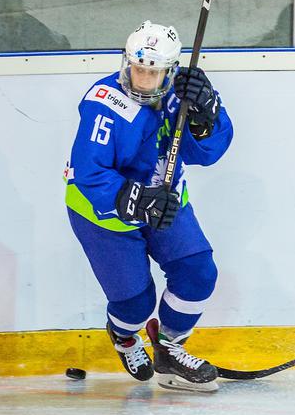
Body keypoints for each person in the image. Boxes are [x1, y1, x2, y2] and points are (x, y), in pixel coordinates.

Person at [65, 20, 233, 393]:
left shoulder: (181, 94)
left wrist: (207, 117)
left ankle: (169, 349)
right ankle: (125, 337)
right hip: (105, 215)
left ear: (170, 71)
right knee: (135, 305)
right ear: (126, 62)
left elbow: (205, 153)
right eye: (138, 68)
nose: (142, 79)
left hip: (165, 201)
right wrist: (136, 200)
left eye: (153, 72)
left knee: (198, 273)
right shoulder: (104, 104)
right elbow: (88, 171)